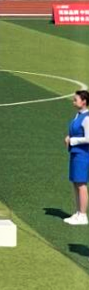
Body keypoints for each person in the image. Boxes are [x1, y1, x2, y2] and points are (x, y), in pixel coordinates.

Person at [64, 89, 89, 225]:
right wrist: (69, 136)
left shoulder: (87, 118)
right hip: (75, 153)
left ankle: (83, 215)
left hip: (82, 154)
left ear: (84, 101)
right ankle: (78, 212)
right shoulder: (78, 115)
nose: (73, 102)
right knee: (75, 182)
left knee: (81, 184)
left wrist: (72, 140)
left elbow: (88, 138)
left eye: (76, 99)